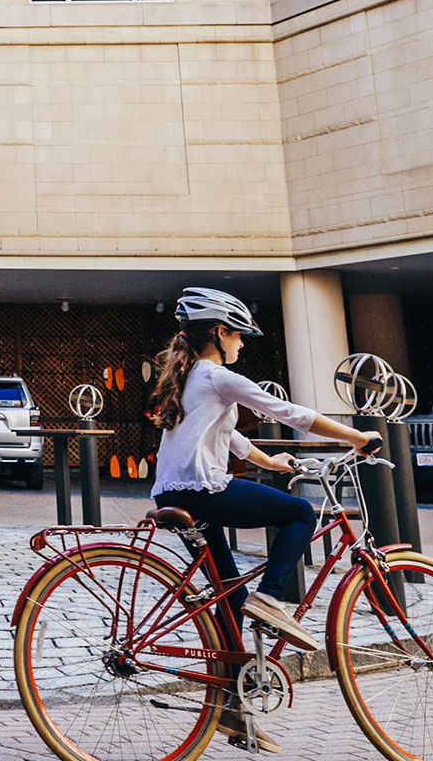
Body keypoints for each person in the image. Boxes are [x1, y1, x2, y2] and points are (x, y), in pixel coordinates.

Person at [148, 287, 380, 754]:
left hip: (172, 492)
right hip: (202, 491)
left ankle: (229, 706)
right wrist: (357, 436)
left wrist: (275, 463)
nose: (242, 344)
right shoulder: (215, 374)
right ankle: (272, 599)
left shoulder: (190, 377)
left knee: (227, 595)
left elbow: (229, 436)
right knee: (297, 512)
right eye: (238, 335)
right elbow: (290, 413)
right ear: (219, 332)